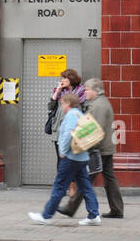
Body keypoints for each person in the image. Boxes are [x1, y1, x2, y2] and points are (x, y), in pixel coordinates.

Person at [28, 93, 99, 225]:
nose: (62, 106)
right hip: (81, 157)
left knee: (60, 186)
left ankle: (46, 216)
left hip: (71, 158)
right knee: (86, 186)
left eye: (62, 104)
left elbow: (68, 134)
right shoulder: (79, 114)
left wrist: (63, 151)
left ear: (68, 104)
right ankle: (94, 215)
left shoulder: (71, 115)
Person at [58, 78, 124, 219]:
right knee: (109, 178)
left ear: (95, 91)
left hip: (97, 149)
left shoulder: (98, 106)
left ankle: (71, 207)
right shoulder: (101, 102)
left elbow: (94, 129)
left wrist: (87, 148)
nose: (85, 92)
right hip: (105, 147)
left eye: (87, 89)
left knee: (85, 179)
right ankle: (117, 209)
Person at [48, 68, 85, 155]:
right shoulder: (60, 92)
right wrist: (57, 91)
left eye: (65, 78)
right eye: (62, 78)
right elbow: (50, 107)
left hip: (75, 130)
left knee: (72, 157)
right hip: (59, 129)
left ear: (71, 79)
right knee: (60, 158)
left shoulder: (82, 92)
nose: (62, 80)